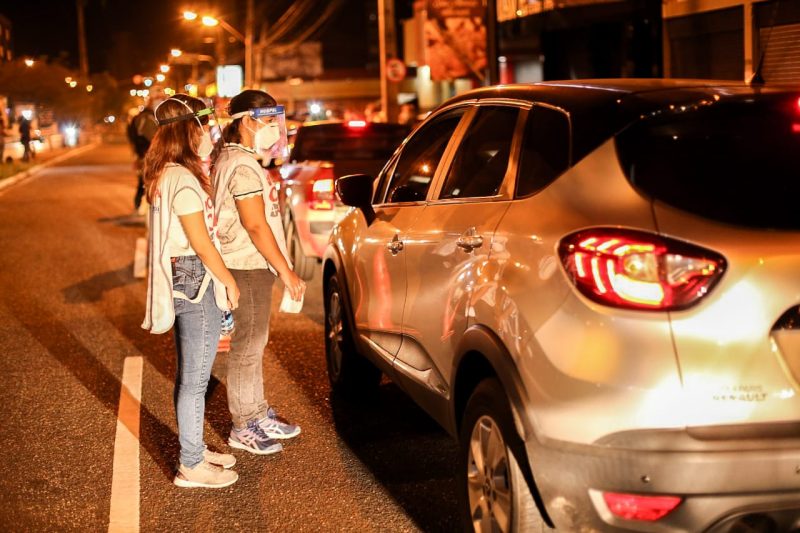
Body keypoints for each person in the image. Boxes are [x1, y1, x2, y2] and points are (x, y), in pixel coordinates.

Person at [141, 94, 241, 489]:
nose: (208, 134)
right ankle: (191, 463)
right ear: (188, 130)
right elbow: (201, 242)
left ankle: (194, 447)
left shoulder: (166, 172)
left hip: (184, 275)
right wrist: (228, 280)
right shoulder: (182, 179)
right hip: (196, 277)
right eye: (202, 126)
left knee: (191, 374)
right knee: (196, 379)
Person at [211, 89, 305, 455]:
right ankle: (243, 424)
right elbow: (255, 225)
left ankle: (256, 413)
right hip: (247, 265)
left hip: (247, 264)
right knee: (248, 347)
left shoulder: (235, 158)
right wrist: (286, 271)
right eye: (267, 122)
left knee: (254, 344)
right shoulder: (243, 165)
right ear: (247, 122)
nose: (273, 129)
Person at [128, 97, 159, 212]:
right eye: (159, 99)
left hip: (145, 155)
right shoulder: (147, 117)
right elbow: (153, 138)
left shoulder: (148, 116)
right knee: (146, 182)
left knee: (145, 182)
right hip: (147, 155)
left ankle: (141, 207)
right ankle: (141, 207)